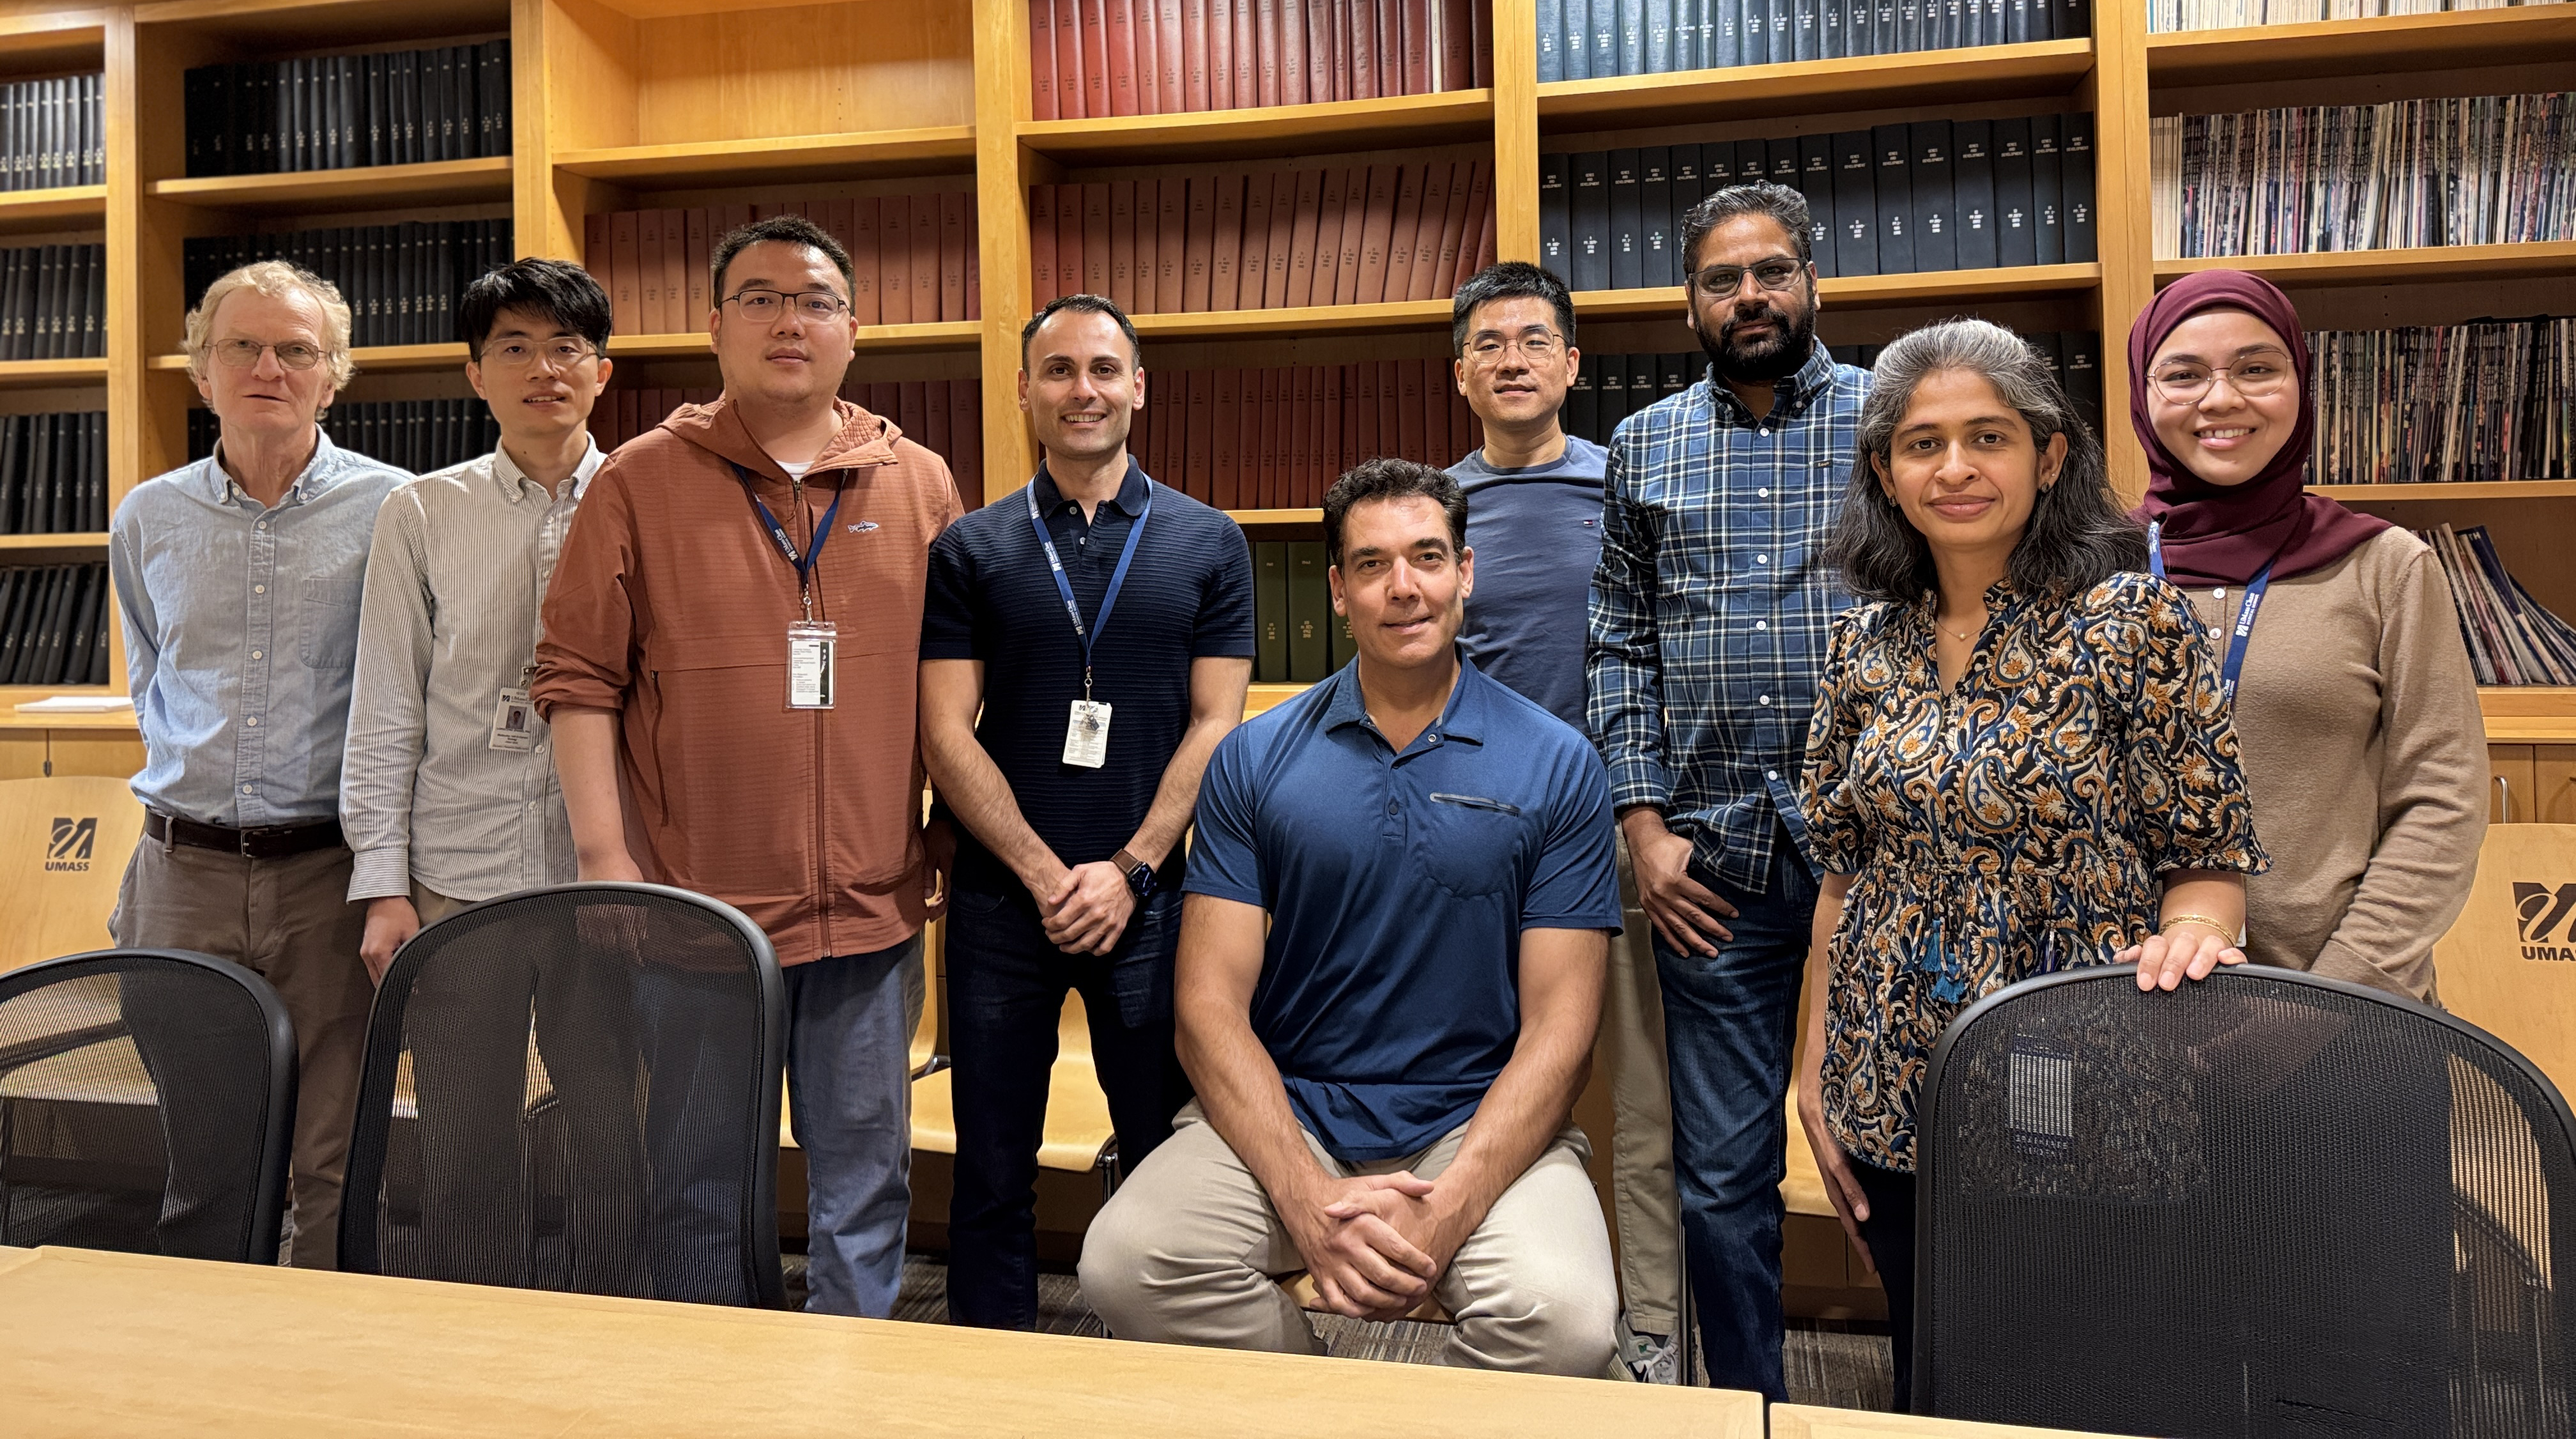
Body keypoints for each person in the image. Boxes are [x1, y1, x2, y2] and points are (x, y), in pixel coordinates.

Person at [1795, 318, 2270, 1409]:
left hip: (2092, 1086)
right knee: (1936, 1371)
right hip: (1891, 1084)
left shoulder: (2131, 624)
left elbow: (2204, 855)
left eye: (1987, 437)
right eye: (1921, 444)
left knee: (2093, 1379)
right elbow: (1839, 874)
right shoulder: (1859, 644)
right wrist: (1811, 1078)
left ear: (2048, 456)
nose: (1954, 468)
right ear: (1884, 471)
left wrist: (2197, 933)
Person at [1078, 459, 1623, 1376]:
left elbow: (1563, 1030)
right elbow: (1208, 1007)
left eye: (1427, 557)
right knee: (1126, 1266)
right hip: (1291, 1115)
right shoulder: (1254, 759)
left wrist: (1447, 1209)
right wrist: (1305, 1198)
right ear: (1336, 589)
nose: (1403, 588)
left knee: (1562, 1321)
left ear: (1466, 573)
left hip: (1476, 1122)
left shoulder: (1560, 764)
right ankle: (1327, 1408)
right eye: (1371, 565)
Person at [531, 215, 961, 1316]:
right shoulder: (636, 481)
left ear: (852, 331)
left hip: (868, 913)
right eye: (761, 298)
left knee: (865, 1183)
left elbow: (961, 693)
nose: (789, 320)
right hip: (694, 918)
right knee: (697, 1188)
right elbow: (578, 680)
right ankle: (709, 1394)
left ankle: (844, 1391)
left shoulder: (917, 486)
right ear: (714, 326)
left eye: (814, 299)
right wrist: (602, 855)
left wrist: (943, 838)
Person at [1586, 180, 1871, 1399]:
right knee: (1718, 1178)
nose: (1746, 295)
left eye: (1769, 272)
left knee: (1908, 1159)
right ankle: (1749, 1405)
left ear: (1813, 284)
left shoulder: (1895, 417)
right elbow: (1618, 641)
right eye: (1720, 278)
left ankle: (1938, 1403)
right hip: (1712, 866)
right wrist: (1641, 826)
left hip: (1884, 854)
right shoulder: (1643, 443)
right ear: (1687, 302)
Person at [919, 293, 1254, 1328]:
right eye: (1057, 370)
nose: (1082, 390)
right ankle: (994, 1388)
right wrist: (1041, 871)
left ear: (1138, 388)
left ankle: (1155, 1382)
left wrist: (1130, 869)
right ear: (1023, 389)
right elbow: (944, 729)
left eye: (1103, 369)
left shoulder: (1208, 542)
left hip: (1152, 910)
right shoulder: (970, 548)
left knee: (1164, 1163)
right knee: (989, 1174)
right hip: (996, 908)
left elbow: (1217, 724)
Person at [338, 258, 647, 1291]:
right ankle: (470, 1341)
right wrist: (383, 885)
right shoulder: (422, 513)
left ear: (603, 371)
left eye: (566, 347)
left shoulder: (651, 500)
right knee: (467, 1141)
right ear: (476, 375)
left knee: (617, 1132)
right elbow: (385, 706)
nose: (542, 368)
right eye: (513, 347)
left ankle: (619, 1334)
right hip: (459, 870)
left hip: (607, 874)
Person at [108, 259, 409, 1268]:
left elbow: (407, 704)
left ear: (334, 377)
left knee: (330, 1166)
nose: (268, 366)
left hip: (330, 878)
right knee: (207, 1159)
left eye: (296, 350)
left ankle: (318, 1384)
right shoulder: (147, 516)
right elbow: (155, 680)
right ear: (202, 372)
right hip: (180, 877)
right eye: (242, 346)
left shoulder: (398, 511)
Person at [1445, 260, 1683, 1383]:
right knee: (1473, 1087)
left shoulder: (1625, 487)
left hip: (1618, 836)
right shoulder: (1434, 512)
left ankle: (1650, 1335)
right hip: (1474, 839)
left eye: (1533, 341)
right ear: (1461, 373)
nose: (1512, 360)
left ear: (1571, 365)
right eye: (1489, 344)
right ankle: (1494, 1302)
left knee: (1643, 1102)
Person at [2132, 270, 2486, 1003]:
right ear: (2144, 392)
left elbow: (2442, 802)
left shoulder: (2386, 565)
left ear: (2303, 382)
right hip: (2136, 1019)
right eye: (2184, 374)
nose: (2222, 398)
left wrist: (2335, 994)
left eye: (2257, 368)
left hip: (2347, 1014)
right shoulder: (2096, 566)